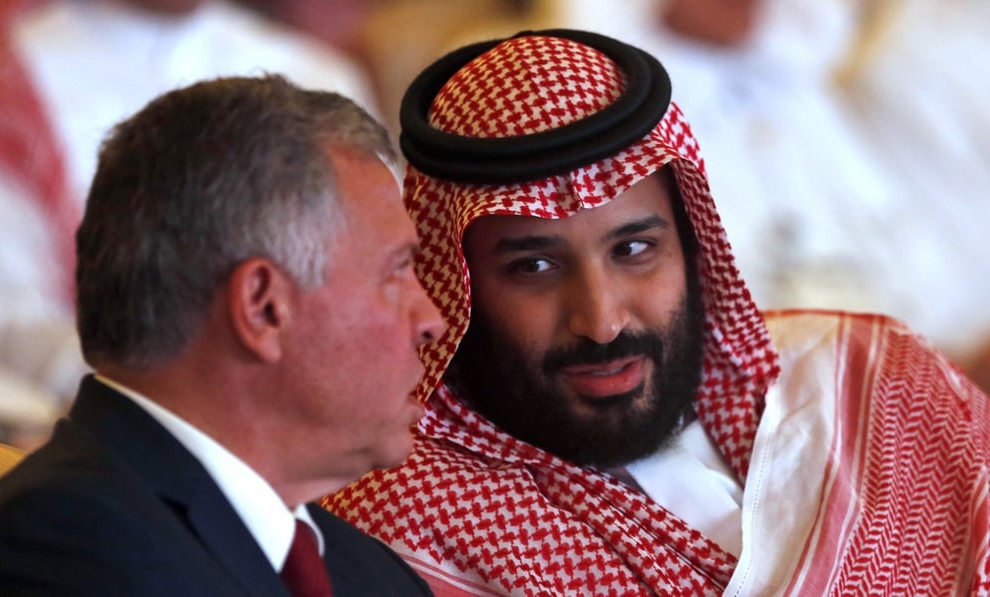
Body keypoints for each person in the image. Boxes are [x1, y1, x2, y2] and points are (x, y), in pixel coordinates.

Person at [322, 30, 990, 595]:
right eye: (534, 267)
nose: (603, 320)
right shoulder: (403, 522)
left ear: (692, 243)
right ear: (454, 284)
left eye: (634, 249)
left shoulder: (866, 376)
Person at [0, 74, 443, 595]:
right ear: (264, 308)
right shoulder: (64, 539)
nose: (431, 320)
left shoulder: (370, 571)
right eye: (396, 272)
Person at [0, 0, 379, 445]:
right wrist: (178, 396)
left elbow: (371, 276)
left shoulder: (313, 71)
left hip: (309, 424)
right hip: (96, 430)